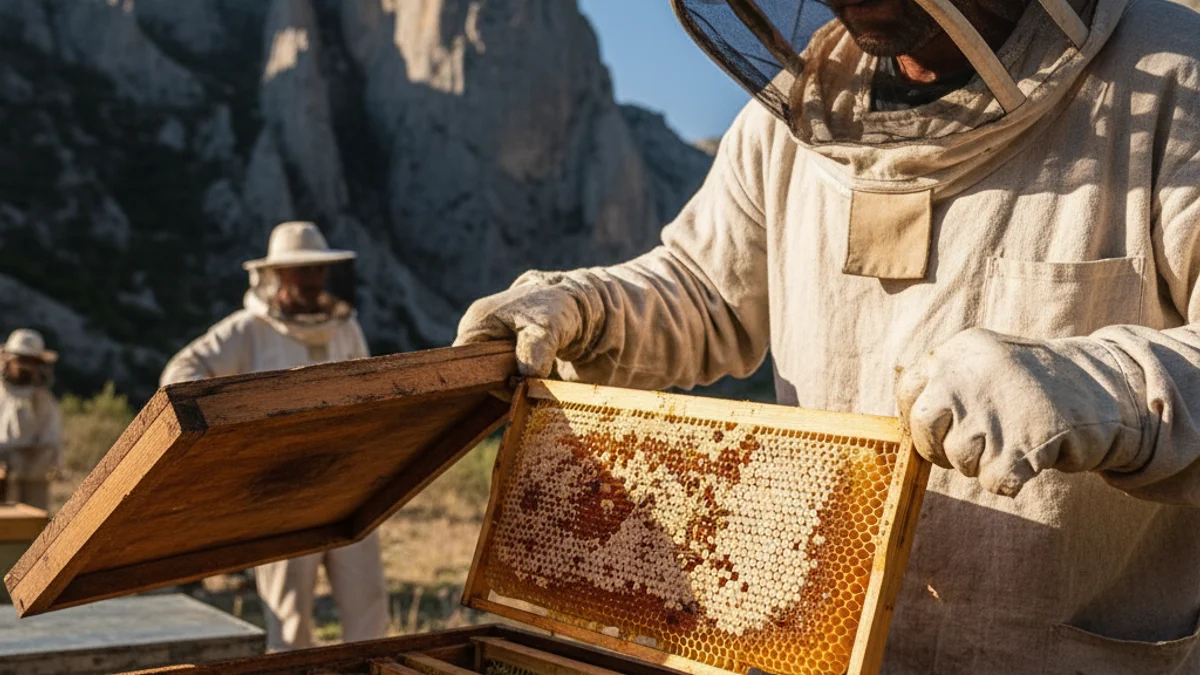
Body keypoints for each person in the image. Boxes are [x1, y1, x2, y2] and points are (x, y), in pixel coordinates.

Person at [456, 0, 1200, 672]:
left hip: (1061, 650)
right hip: (815, 643)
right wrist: (588, 306)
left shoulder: (1174, 77)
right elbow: (707, 288)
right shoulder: (807, 101)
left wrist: (1098, 388)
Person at [161, 221, 388, 651]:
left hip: (349, 485)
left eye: (316, 271)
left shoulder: (346, 327)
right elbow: (180, 374)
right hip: (281, 490)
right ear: (276, 275)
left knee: (370, 607)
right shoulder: (247, 330)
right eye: (299, 271)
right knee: (289, 620)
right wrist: (235, 431)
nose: (310, 281)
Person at [0, 329, 62, 511]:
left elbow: (51, 446)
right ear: (8, 360)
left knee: (32, 532)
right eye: (20, 360)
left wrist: (25, 461)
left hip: (35, 483)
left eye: (30, 362)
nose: (24, 367)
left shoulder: (47, 403)